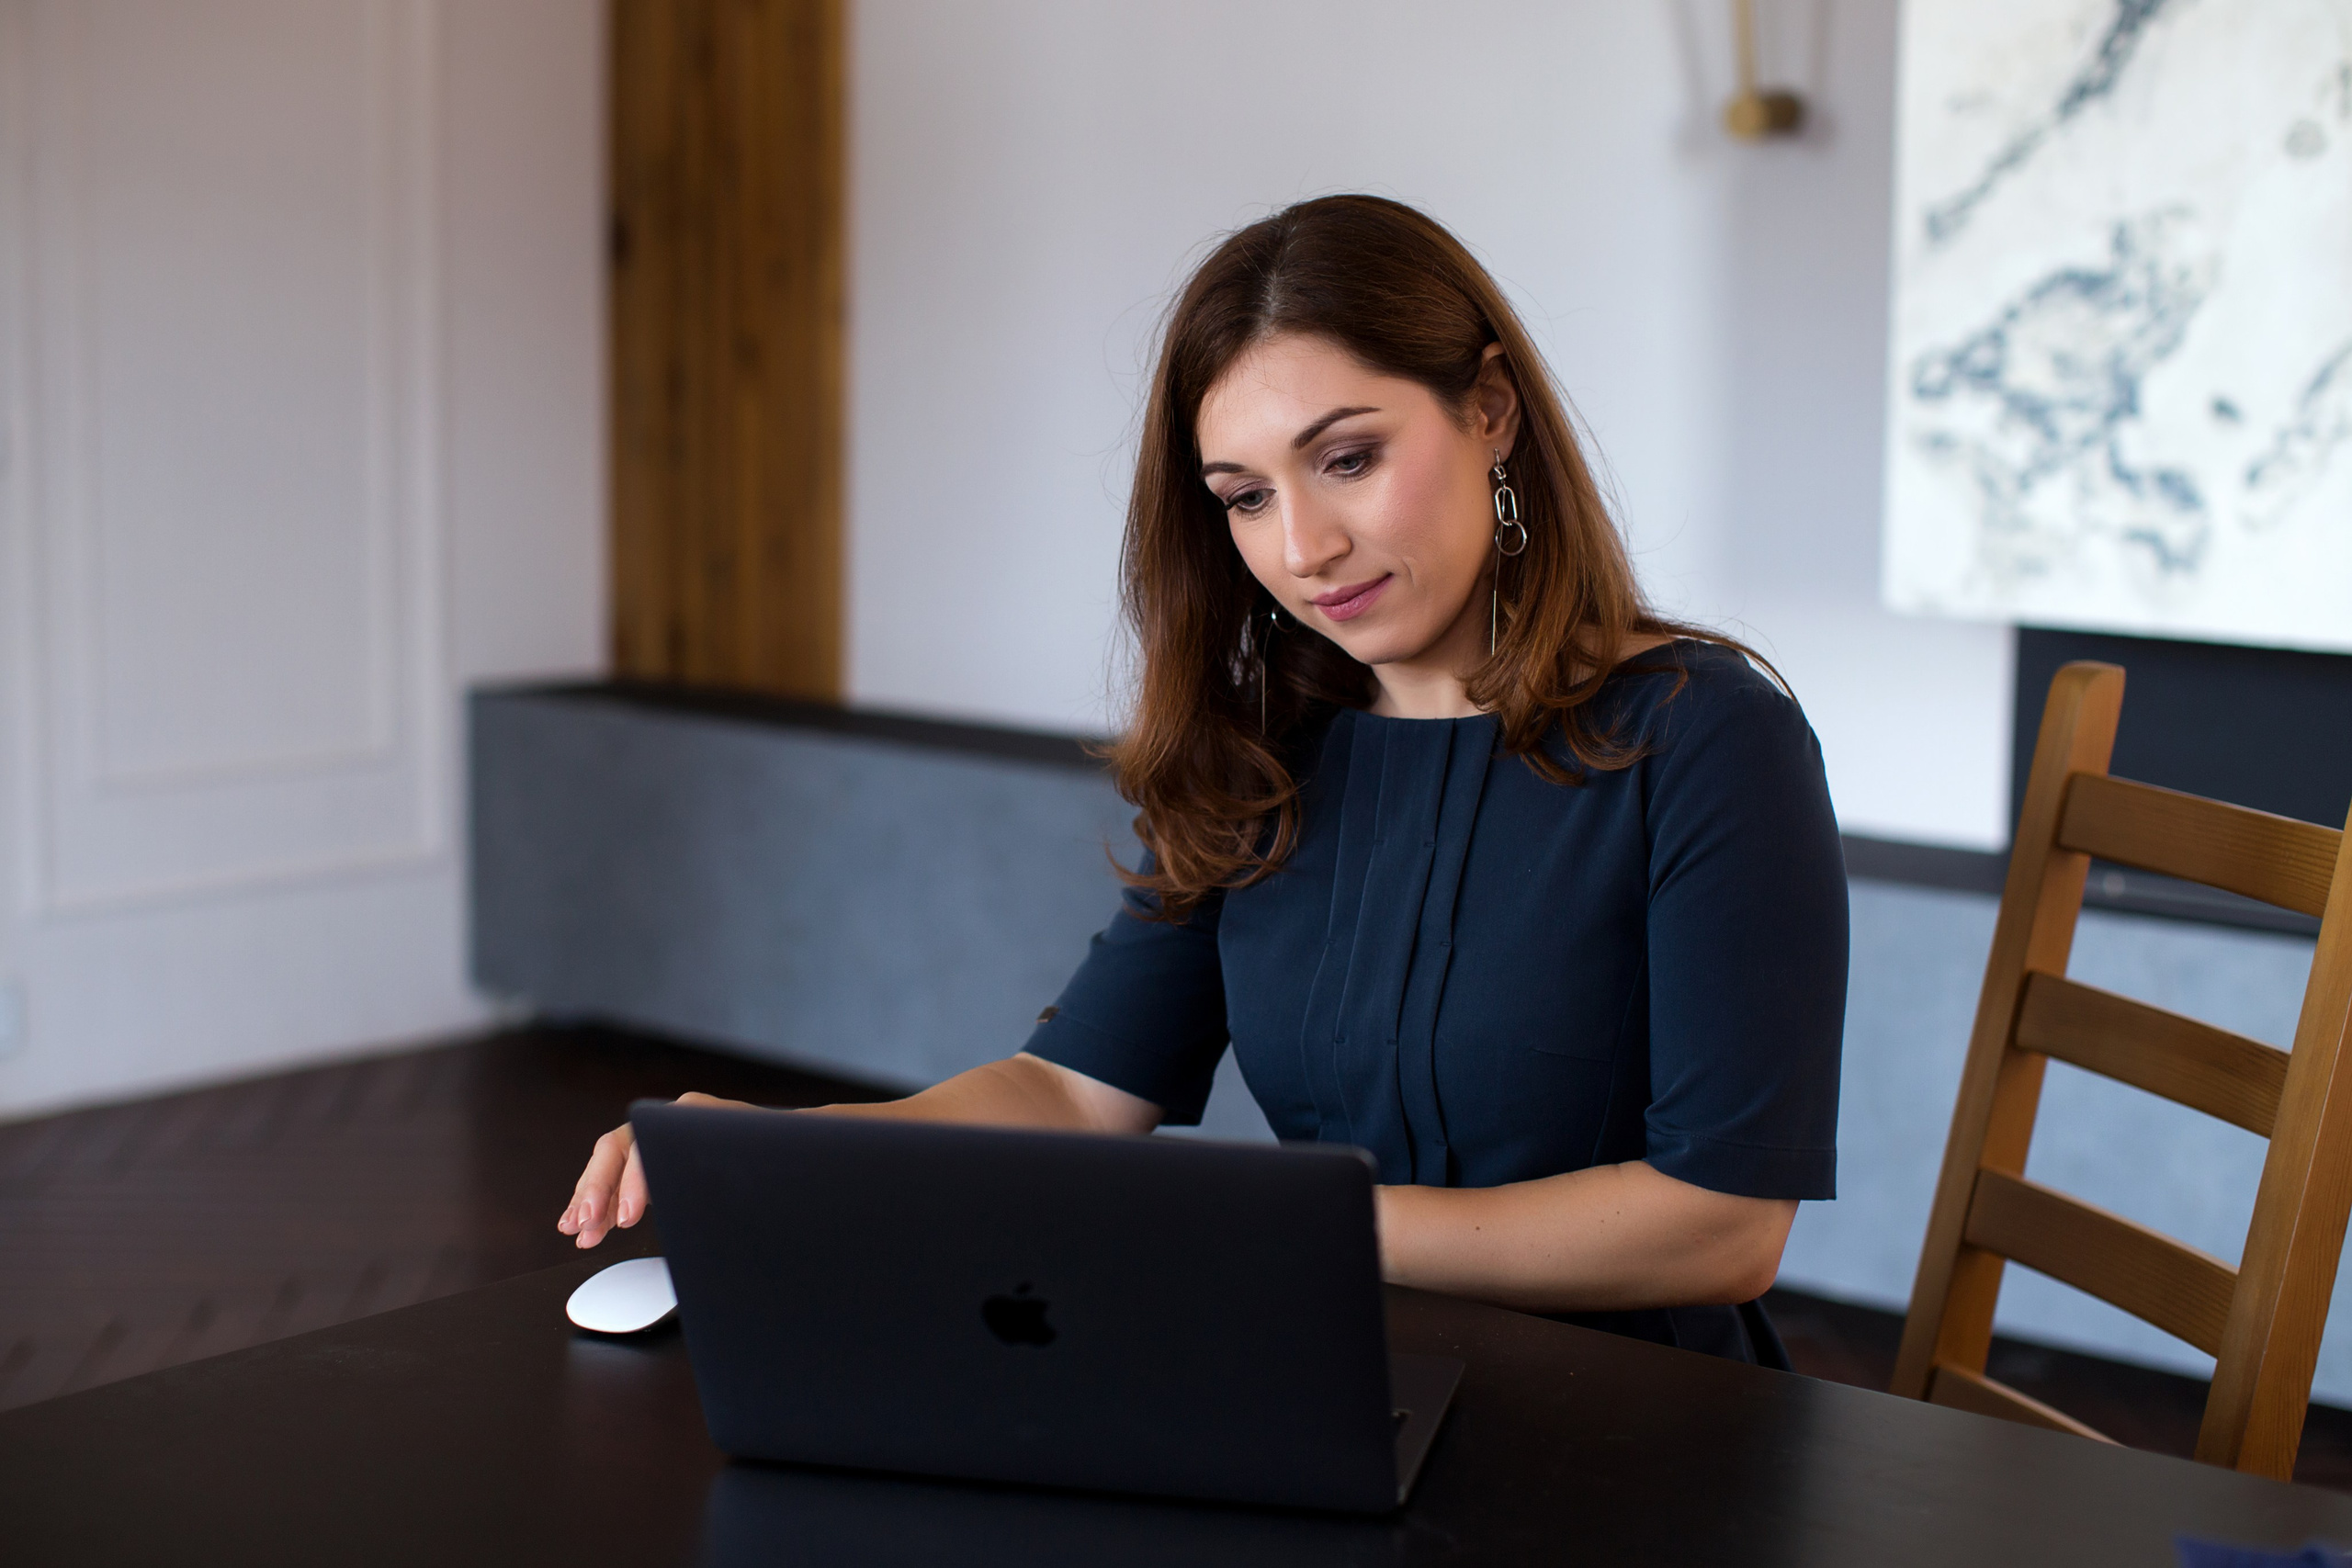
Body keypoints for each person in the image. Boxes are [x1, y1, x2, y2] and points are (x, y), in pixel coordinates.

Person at [559, 194, 1847, 1367]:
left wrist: (1272, 1229)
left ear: (1491, 410)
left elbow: (1720, 1227)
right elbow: (1068, 1091)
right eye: (1243, 497)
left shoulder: (1706, 736)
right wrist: (783, 1148)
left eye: (1347, 459)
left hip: (1644, 1424)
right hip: (1340, 1370)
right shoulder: (1270, 746)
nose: (1304, 548)